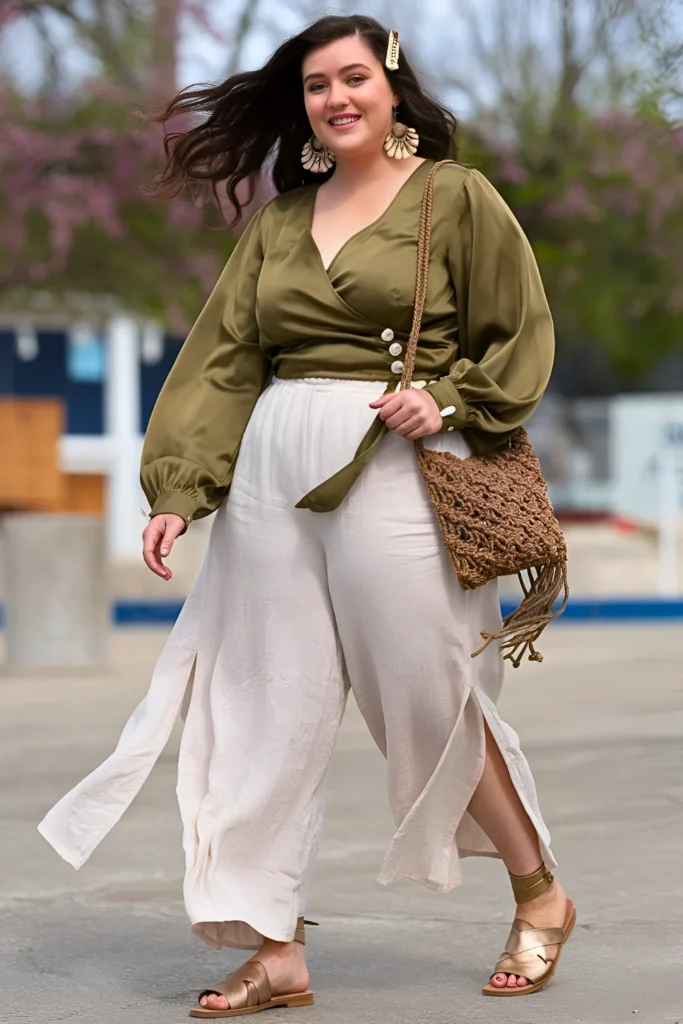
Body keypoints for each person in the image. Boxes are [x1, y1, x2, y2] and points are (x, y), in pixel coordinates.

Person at [38, 14, 575, 1016]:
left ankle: (539, 892)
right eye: (316, 86)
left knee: (424, 696)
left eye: (351, 78)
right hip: (271, 474)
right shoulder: (279, 223)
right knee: (255, 704)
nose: (334, 98)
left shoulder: (455, 198)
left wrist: (450, 399)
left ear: (392, 87)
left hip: (399, 462)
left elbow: (517, 331)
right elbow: (225, 356)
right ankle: (270, 945)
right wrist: (178, 487)